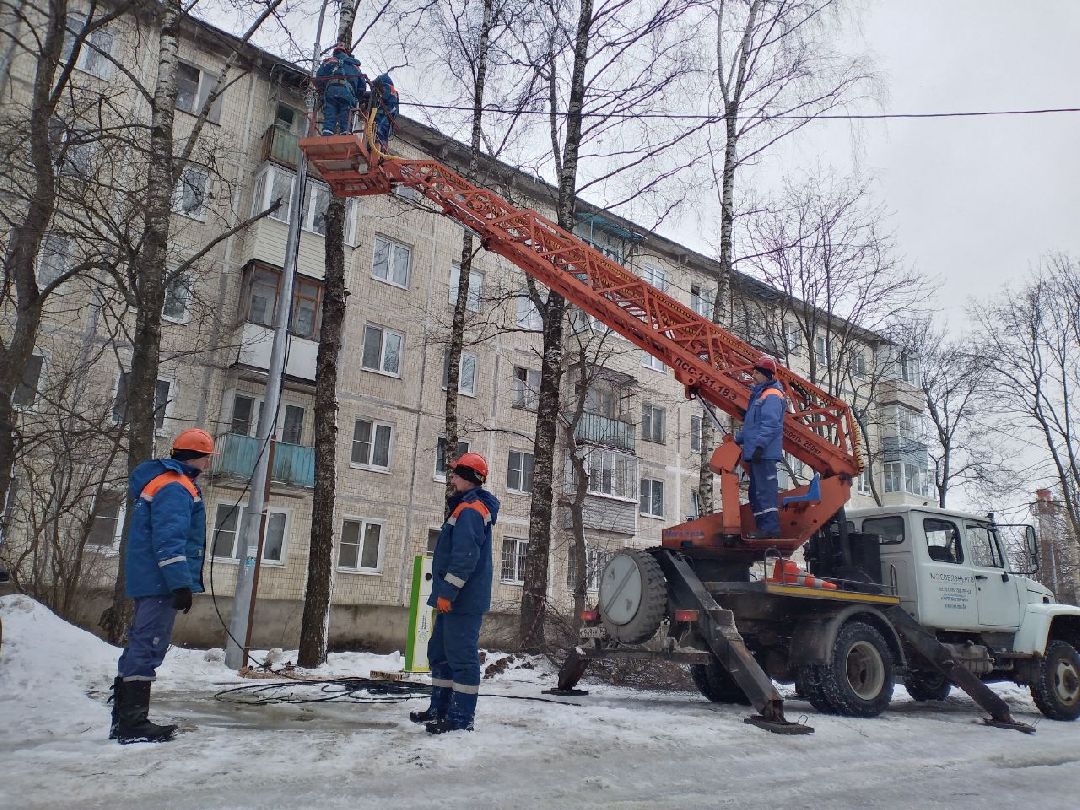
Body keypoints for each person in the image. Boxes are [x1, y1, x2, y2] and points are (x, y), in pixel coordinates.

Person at [110, 428, 214, 744]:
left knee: (141, 644)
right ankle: (132, 724)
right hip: (159, 582)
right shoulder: (176, 487)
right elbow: (170, 540)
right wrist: (180, 584)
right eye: (208, 458)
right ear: (201, 458)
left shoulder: (164, 481)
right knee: (148, 645)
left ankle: (125, 722)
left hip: (150, 578)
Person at [409, 452, 500, 734]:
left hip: (463, 601)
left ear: (469, 478)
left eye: (456, 474)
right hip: (453, 600)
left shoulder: (471, 510)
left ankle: (460, 719)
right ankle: (440, 710)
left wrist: (448, 592)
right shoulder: (463, 506)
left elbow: (465, 557)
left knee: (461, 657)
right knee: (440, 653)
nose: (452, 478)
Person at [734, 355, 786, 538]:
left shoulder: (771, 395)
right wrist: (738, 438)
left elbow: (771, 425)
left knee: (764, 492)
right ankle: (762, 527)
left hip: (764, 453)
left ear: (766, 375)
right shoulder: (761, 395)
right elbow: (753, 427)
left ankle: (769, 528)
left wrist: (759, 447)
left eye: (757, 372)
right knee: (756, 493)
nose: (753, 375)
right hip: (759, 452)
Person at [315, 43, 366, 136]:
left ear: (335, 52)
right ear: (346, 53)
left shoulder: (329, 62)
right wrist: (357, 97)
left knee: (330, 112)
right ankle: (345, 133)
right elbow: (362, 86)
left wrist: (322, 92)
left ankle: (327, 133)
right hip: (347, 93)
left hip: (331, 91)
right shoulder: (354, 66)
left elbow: (319, 78)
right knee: (345, 114)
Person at [370, 73, 399, 149]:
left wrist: (372, 96)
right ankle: (382, 148)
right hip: (389, 116)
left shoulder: (386, 86)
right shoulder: (394, 91)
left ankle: (376, 146)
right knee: (384, 133)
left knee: (378, 130)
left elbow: (383, 98)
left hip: (383, 114)